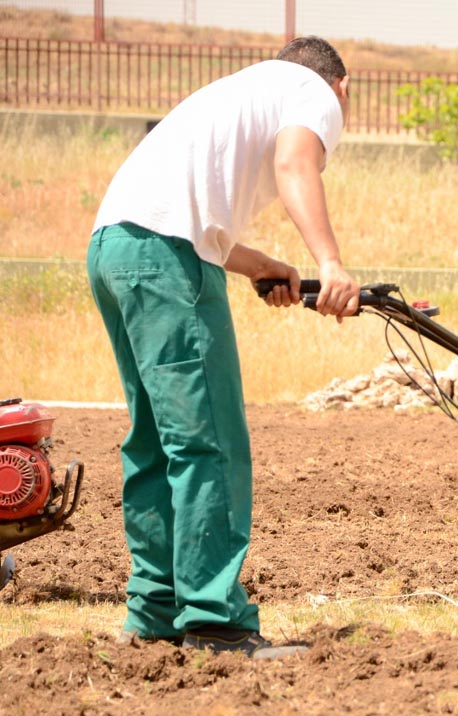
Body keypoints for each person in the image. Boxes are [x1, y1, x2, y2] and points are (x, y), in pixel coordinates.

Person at [87, 36, 360, 659]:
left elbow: (178, 210)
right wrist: (332, 263)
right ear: (342, 86)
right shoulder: (314, 89)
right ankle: (215, 619)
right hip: (167, 259)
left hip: (114, 250)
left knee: (158, 440)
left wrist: (257, 262)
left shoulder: (239, 91)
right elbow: (296, 165)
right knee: (208, 439)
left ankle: (154, 611)